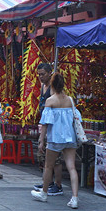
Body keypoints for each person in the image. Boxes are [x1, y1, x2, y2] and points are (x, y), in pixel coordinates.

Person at [32, 73, 81, 208]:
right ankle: (75, 198)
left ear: (52, 85)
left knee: (48, 166)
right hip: (70, 137)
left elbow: (45, 123)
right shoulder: (70, 100)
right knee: (71, 167)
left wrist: (41, 140)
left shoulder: (50, 101)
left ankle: (44, 193)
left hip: (55, 138)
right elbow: (77, 118)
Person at [33, 64, 64, 197]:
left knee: (55, 158)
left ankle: (58, 184)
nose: (40, 77)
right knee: (46, 157)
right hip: (44, 125)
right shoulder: (43, 86)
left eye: (43, 74)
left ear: (50, 73)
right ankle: (48, 182)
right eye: (39, 74)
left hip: (53, 127)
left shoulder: (53, 89)